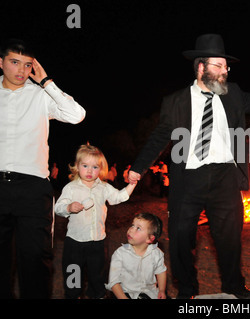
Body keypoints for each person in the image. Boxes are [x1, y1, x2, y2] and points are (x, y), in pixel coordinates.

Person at [128, 33, 250, 299]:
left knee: (230, 238)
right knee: (182, 238)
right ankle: (187, 288)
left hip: (225, 177)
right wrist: (138, 168)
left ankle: (233, 285)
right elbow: (159, 136)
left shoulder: (232, 95)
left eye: (226, 67)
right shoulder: (175, 101)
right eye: (218, 66)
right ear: (201, 67)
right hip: (189, 178)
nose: (224, 71)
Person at [0, 39, 86, 299]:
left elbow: (76, 114)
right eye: (15, 62)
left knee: (36, 257)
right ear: (1, 62)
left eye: (27, 65)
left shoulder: (41, 95)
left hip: (33, 188)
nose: (21, 70)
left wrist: (47, 82)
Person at [54, 144, 136, 299]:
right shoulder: (71, 188)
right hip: (74, 244)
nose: (90, 171)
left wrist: (132, 185)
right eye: (85, 166)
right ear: (77, 167)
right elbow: (58, 208)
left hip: (97, 243)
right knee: (73, 280)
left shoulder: (104, 187)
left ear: (101, 169)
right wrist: (69, 207)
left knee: (97, 278)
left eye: (95, 167)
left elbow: (119, 197)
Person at [106, 212, 167, 299]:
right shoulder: (120, 254)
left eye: (138, 228)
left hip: (149, 292)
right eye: (132, 225)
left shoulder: (156, 254)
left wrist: (161, 290)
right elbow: (114, 282)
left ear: (150, 238)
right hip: (125, 293)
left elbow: (161, 271)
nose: (131, 229)